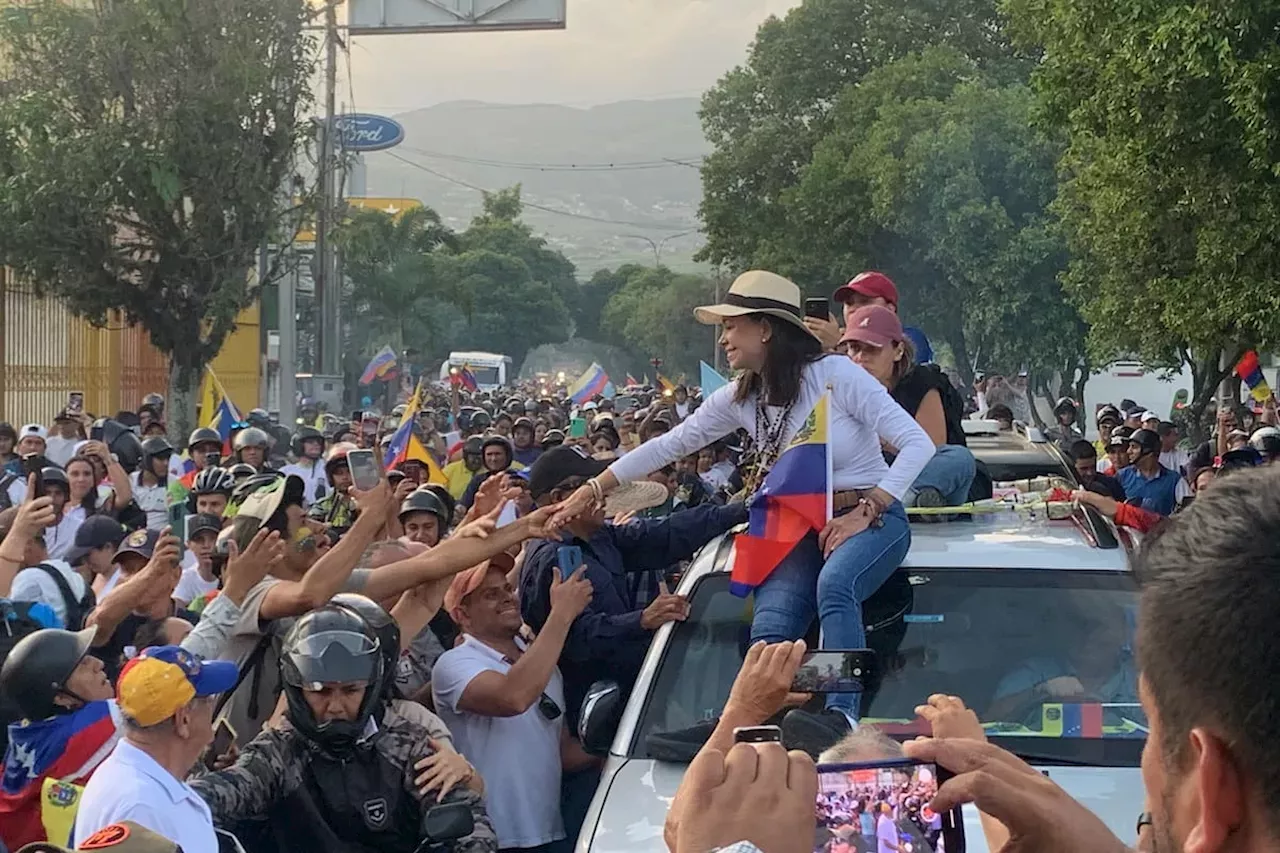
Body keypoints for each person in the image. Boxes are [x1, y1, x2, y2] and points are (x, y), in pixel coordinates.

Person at [551, 271, 934, 753]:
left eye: (733, 326)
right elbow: (674, 443)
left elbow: (918, 444)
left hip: (870, 519)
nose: (724, 338)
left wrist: (870, 507)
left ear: (767, 329)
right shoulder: (741, 396)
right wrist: (594, 485)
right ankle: (747, 720)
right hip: (797, 523)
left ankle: (841, 717)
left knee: (835, 586)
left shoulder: (838, 376)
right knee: (770, 625)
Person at [188, 606, 498, 853]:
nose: (335, 705)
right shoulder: (277, 752)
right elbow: (226, 790)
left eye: (351, 690)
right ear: (295, 689)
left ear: (373, 686)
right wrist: (177, 798)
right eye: (320, 691)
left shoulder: (410, 745)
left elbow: (470, 822)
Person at [432, 557, 596, 853]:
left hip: (552, 831)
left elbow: (563, 752)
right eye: (490, 594)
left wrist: (621, 750)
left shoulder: (542, 663)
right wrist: (562, 614)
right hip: (488, 837)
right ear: (462, 615)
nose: (507, 597)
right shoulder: (453, 664)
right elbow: (512, 698)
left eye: (507, 588)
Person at [72, 646, 237, 853]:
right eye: (207, 700)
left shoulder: (142, 782)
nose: (212, 709)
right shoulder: (142, 808)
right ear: (183, 719)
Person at [838, 306, 975, 508]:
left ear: (898, 351)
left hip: (903, 475)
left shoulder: (920, 383)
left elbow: (931, 452)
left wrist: (884, 438)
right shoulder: (835, 386)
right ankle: (911, 501)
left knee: (959, 459)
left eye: (872, 349)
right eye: (855, 349)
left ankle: (896, 501)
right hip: (859, 481)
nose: (861, 358)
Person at [0, 628, 118, 850]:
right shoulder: (82, 730)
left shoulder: (26, 730)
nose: (98, 664)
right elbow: (158, 686)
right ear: (61, 697)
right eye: (82, 664)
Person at [1118, 428, 1187, 516]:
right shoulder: (1121, 477)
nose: (1128, 451)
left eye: (1134, 447)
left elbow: (1190, 512)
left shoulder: (1175, 480)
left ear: (1149, 451)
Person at [281, 426, 329, 506]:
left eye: (319, 442)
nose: (316, 444)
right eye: (310, 442)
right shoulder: (286, 472)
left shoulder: (329, 467)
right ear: (298, 445)